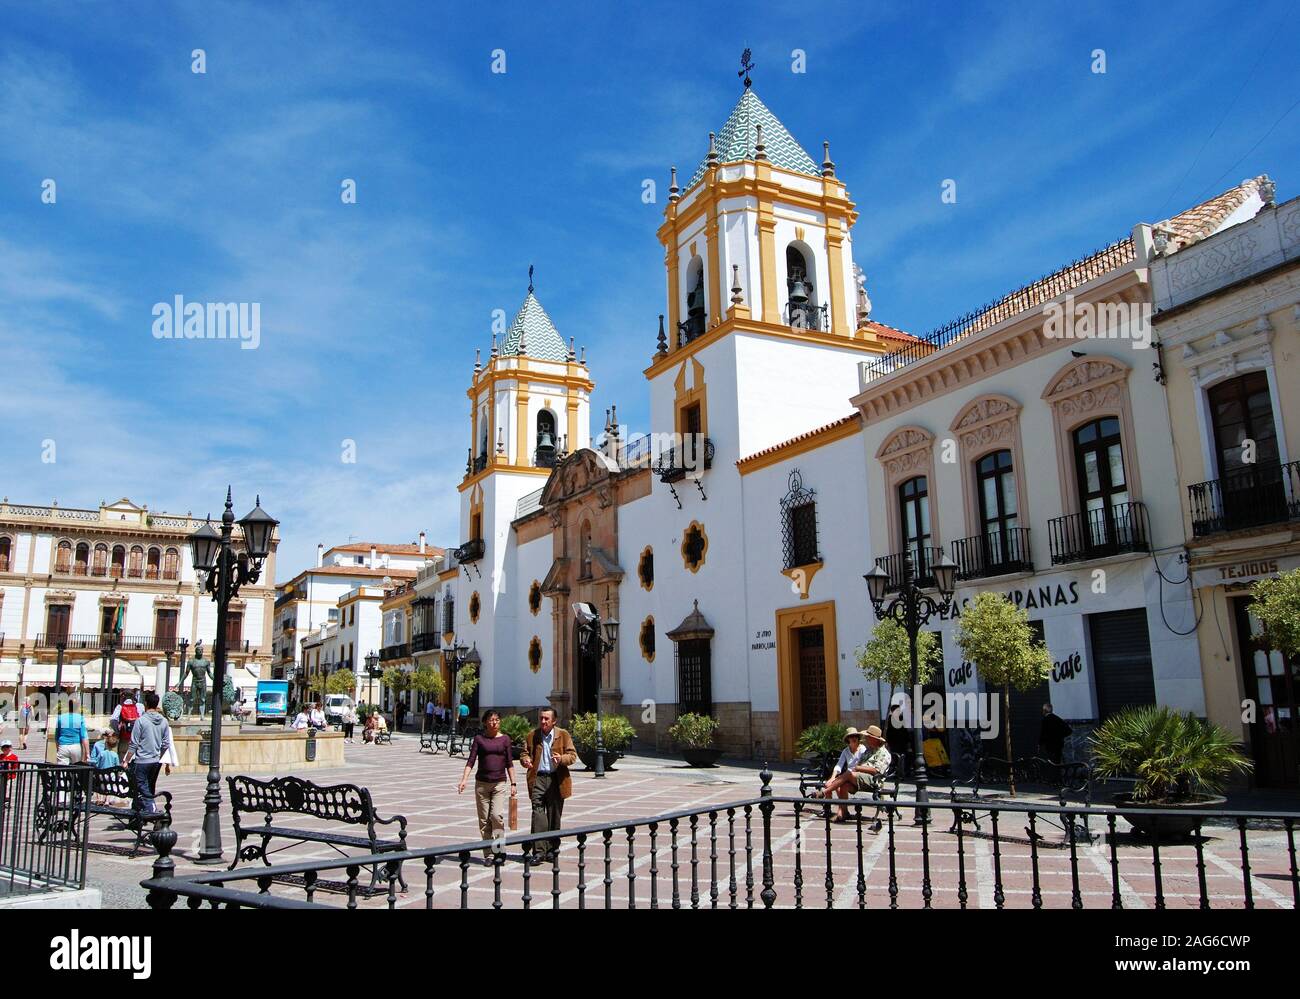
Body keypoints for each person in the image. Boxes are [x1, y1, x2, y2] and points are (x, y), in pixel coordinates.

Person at [458, 709, 517, 861]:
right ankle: (488, 854)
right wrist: (464, 779)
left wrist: (513, 783)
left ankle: (499, 849)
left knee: (496, 816)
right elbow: (471, 760)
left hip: (499, 783)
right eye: (491, 720)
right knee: (484, 821)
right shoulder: (479, 739)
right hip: (482, 784)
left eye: (496, 720)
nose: (494, 723)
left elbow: (510, 763)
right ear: (485, 722)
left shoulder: (505, 739)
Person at [518, 707, 577, 860]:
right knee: (538, 813)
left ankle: (552, 849)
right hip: (537, 778)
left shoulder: (563, 735)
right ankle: (538, 851)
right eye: (541, 718)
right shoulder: (533, 735)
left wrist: (561, 759)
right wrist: (525, 760)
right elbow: (524, 753)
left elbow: (572, 756)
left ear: (554, 721)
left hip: (556, 779)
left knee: (554, 815)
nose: (543, 721)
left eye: (546, 719)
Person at [814, 726, 891, 823]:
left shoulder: (883, 753)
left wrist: (858, 768)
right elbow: (840, 765)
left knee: (849, 773)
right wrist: (835, 777)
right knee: (843, 785)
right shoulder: (867, 751)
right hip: (859, 777)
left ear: (874, 739)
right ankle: (843, 812)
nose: (866, 739)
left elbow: (876, 771)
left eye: (868, 737)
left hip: (873, 780)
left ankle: (824, 792)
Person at [122, 692, 172, 815]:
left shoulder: (141, 721)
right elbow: (166, 743)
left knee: (141, 786)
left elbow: (133, 744)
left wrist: (126, 761)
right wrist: (159, 755)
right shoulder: (164, 721)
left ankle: (152, 810)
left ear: (145, 704)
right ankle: (138, 814)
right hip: (155, 761)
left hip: (142, 760)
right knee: (148, 786)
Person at [52, 699, 89, 765]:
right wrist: (87, 753)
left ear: (68, 706)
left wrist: (58, 748)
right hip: (76, 746)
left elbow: (56, 736)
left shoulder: (60, 717)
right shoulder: (80, 718)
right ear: (78, 707)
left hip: (63, 746)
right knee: (76, 769)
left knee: (62, 771)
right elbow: (84, 737)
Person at [89, 731, 121, 805]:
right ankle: (107, 801)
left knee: (101, 786)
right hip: (111, 774)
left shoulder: (102, 753)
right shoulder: (115, 754)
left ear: (106, 743)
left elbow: (96, 762)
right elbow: (117, 766)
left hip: (102, 773)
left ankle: (100, 799)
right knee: (109, 786)